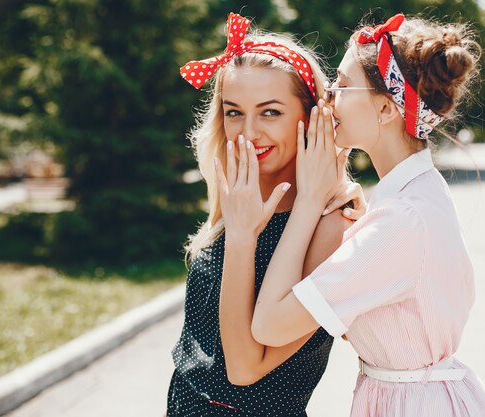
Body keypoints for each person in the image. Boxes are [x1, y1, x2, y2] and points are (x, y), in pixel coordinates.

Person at [248, 13, 485, 417]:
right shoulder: (417, 195)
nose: (328, 97)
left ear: (385, 108)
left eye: (344, 85)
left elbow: (268, 326)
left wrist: (310, 202)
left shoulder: (400, 223)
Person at [167, 13, 360, 416]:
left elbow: (244, 369)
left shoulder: (331, 223)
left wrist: (242, 237)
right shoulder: (239, 190)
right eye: (234, 112)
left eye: (270, 112)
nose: (247, 132)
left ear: (311, 117)